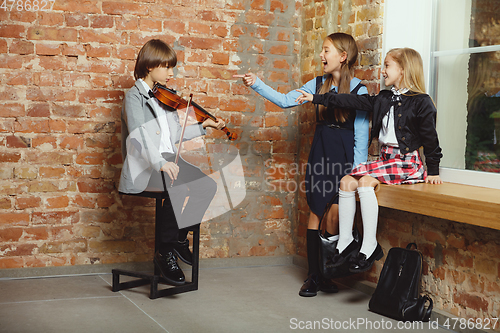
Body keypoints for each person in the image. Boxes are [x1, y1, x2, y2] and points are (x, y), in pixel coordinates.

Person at [234, 32, 369, 297]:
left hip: (345, 159)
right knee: (316, 210)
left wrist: (358, 170)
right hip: (321, 153)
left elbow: (362, 135)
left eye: (326, 50)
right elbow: (285, 100)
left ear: (342, 57)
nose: (321, 55)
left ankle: (327, 271)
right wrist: (257, 83)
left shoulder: (359, 90)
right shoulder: (317, 83)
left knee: (336, 213)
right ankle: (313, 277)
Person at [296, 47, 443, 273]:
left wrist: (433, 170)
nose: (382, 71)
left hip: (407, 163)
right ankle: (344, 243)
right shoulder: (384, 97)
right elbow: (352, 101)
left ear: (402, 70)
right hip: (386, 161)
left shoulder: (422, 102)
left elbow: (431, 139)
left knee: (364, 182)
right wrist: (317, 98)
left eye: (387, 65)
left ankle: (369, 245)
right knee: (346, 181)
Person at [119, 39, 225, 285]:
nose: (171, 73)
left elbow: (174, 135)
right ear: (149, 66)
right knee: (177, 185)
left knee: (207, 186)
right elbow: (137, 137)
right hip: (146, 164)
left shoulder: (163, 97)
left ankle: (177, 240)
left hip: (168, 160)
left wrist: (203, 125)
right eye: (167, 67)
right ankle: (165, 252)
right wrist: (160, 163)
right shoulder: (134, 98)